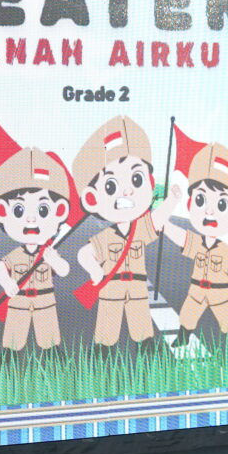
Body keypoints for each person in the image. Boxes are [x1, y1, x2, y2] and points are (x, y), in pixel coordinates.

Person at [73, 115, 160, 346]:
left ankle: (147, 353)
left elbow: (157, 221)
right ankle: (103, 354)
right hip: (111, 288)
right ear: (92, 199)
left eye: (137, 179)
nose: (127, 192)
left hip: (138, 289)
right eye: (111, 186)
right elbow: (84, 253)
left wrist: (172, 201)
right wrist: (94, 270)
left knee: (142, 330)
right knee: (106, 331)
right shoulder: (105, 237)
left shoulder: (140, 228)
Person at [161, 140, 228, 336]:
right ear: (190, 204)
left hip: (221, 292)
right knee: (188, 315)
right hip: (196, 290)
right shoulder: (196, 243)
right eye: (201, 200)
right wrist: (168, 209)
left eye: (222, 205)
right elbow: (176, 234)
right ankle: (183, 336)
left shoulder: (226, 251)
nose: (209, 211)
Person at [0, 143, 76, 351]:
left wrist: (54, 260)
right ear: (2, 211)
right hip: (19, 302)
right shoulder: (15, 255)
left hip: (45, 302)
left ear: (60, 211)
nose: (31, 219)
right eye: (19, 210)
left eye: (43, 210)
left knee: (49, 341)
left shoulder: (49, 253)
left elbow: (64, 270)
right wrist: (7, 283)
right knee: (13, 341)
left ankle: (53, 358)